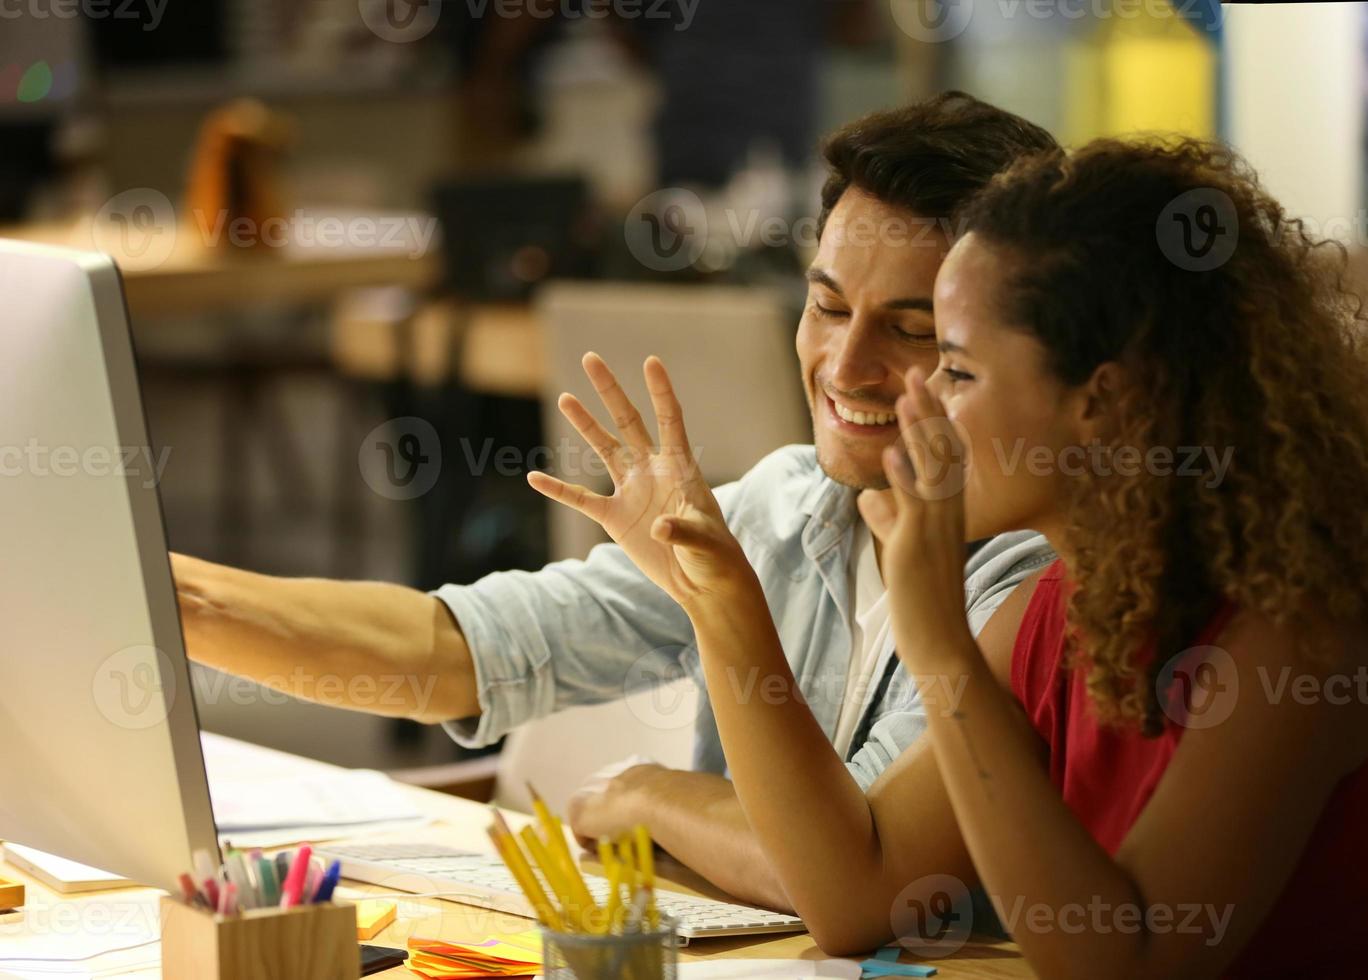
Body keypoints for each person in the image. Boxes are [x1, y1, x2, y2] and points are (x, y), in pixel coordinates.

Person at [532, 138, 1368, 973]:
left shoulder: (1294, 638)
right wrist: (721, 598)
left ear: (1103, 403)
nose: (917, 396)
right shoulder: (1054, 610)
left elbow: (1125, 966)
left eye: (958, 368)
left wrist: (935, 642)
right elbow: (858, 893)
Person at [171, 92, 1059, 911]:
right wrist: (180, 605)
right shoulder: (792, 504)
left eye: (909, 332)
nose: (847, 364)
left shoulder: (1033, 578)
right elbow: (466, 649)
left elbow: (860, 872)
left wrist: (651, 792)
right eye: (825, 308)